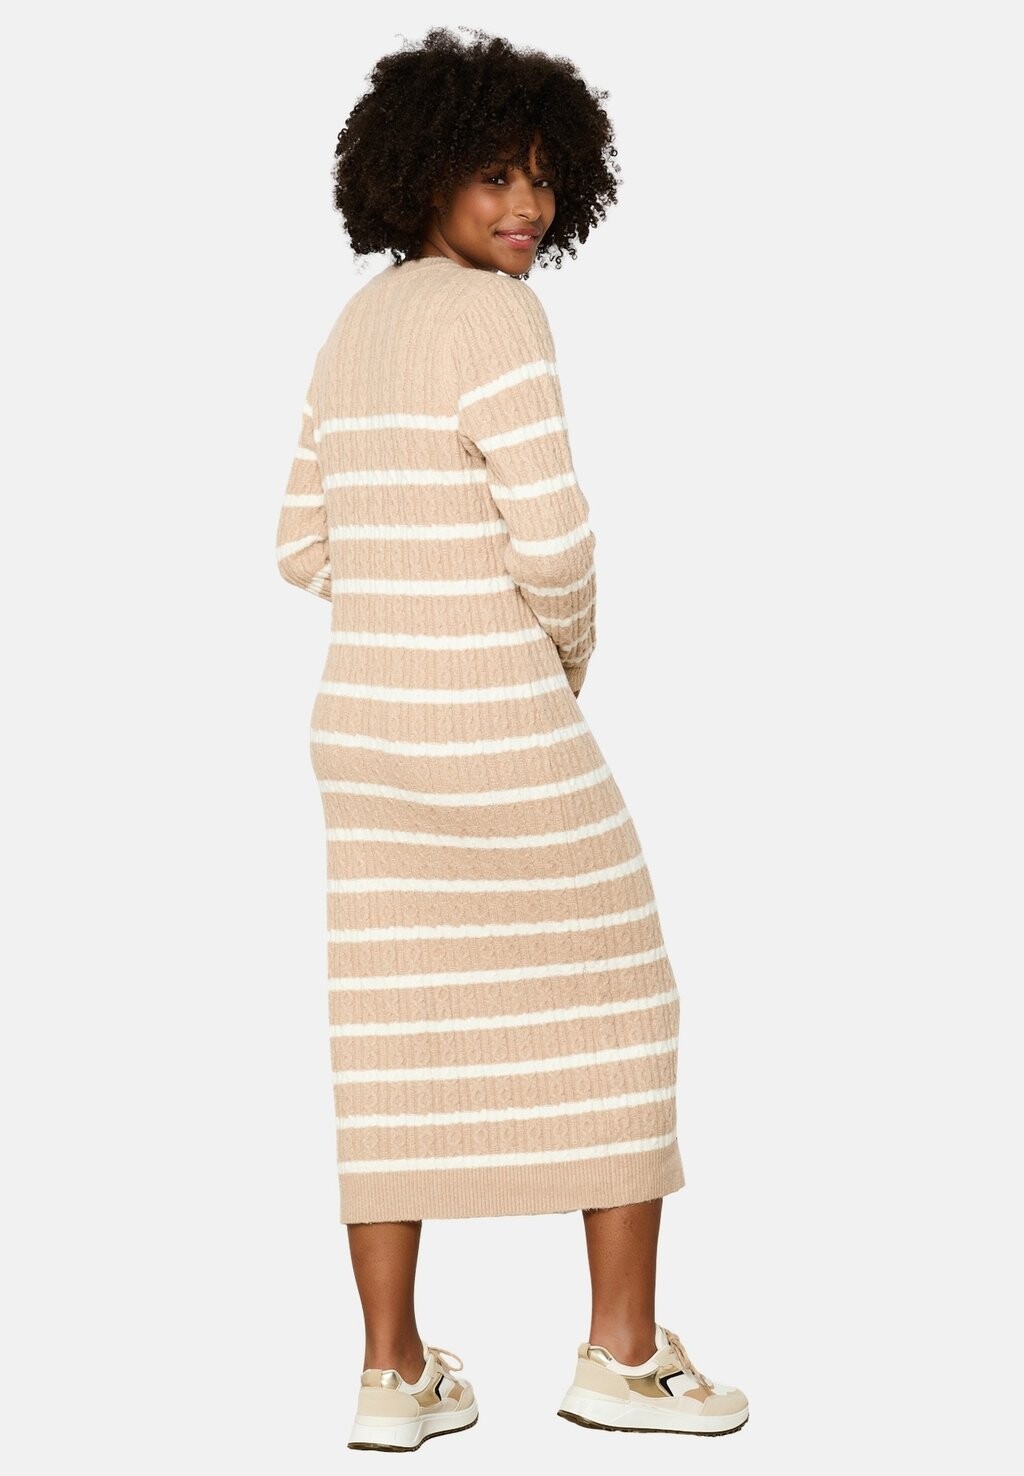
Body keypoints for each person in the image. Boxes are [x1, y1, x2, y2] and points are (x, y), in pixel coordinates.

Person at [274, 24, 748, 1452]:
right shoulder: (498, 319)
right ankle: (622, 1355)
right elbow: (554, 539)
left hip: (363, 731)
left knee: (392, 1028)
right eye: (496, 175)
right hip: (496, 717)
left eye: (543, 178)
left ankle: (392, 1374)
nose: (527, 206)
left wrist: (405, 595)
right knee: (623, 998)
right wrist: (559, 658)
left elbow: (301, 544)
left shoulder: (355, 326)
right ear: (421, 175)